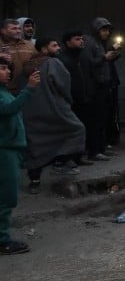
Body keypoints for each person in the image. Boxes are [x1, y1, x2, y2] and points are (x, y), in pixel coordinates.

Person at [22, 38, 87, 194]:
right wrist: (68, 101)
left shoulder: (26, 66)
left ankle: (35, 182)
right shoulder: (53, 63)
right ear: (44, 49)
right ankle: (62, 162)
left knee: (36, 145)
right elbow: (63, 85)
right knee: (77, 129)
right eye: (54, 45)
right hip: (54, 109)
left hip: (31, 111)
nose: (58, 48)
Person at [0, 56, 41, 255]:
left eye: (7, 69)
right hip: (4, 151)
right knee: (6, 197)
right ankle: (2, 241)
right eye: (2, 68)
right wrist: (29, 89)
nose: (7, 72)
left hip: (11, 148)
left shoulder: (3, 91)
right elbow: (8, 110)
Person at [59, 31, 100, 164]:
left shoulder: (81, 56)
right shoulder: (63, 59)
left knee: (87, 127)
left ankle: (81, 155)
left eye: (82, 39)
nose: (81, 41)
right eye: (77, 39)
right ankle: (69, 158)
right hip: (71, 101)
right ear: (68, 42)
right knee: (72, 130)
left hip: (86, 98)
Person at [82, 18, 120, 160]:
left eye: (108, 30)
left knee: (103, 119)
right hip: (94, 88)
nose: (107, 33)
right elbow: (88, 64)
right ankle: (94, 151)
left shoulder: (100, 43)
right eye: (104, 30)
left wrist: (112, 55)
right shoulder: (90, 43)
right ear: (97, 30)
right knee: (95, 121)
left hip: (104, 86)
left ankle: (101, 148)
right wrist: (105, 57)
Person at [0, 18, 36, 94]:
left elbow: (38, 61)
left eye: (19, 28)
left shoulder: (29, 45)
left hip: (26, 89)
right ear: (3, 30)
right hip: (4, 90)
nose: (18, 31)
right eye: (14, 28)